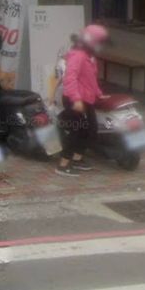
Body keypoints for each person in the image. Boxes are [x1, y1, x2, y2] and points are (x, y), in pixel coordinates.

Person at [57, 24, 108, 177]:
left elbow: (90, 79)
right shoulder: (78, 55)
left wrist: (98, 94)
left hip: (87, 99)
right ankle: (62, 165)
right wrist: (76, 99)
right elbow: (70, 78)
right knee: (75, 131)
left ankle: (77, 159)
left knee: (90, 130)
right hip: (75, 99)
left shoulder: (89, 56)